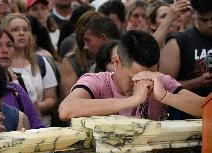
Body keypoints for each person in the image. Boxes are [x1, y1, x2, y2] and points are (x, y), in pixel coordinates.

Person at [59, 30, 204, 121]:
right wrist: (133, 100)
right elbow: (66, 109)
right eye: (134, 77)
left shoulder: (160, 82)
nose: (143, 84)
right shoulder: (96, 81)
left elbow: (206, 109)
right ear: (117, 62)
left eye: (149, 75)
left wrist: (165, 96)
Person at [0, 13, 58, 127]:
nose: (21, 33)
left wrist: (30, 106)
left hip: (42, 125)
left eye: (25, 29)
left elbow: (51, 98)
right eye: (15, 30)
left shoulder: (41, 62)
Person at [159, 0, 212, 119]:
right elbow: (163, 87)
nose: (210, 24)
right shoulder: (179, 41)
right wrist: (198, 82)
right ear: (194, 14)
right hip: (187, 117)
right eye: (204, 20)